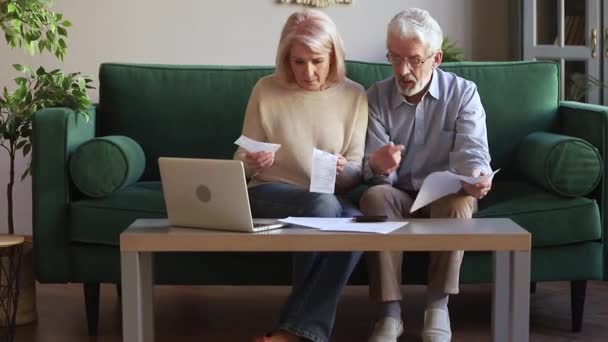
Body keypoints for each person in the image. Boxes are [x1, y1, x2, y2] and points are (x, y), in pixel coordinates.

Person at [233, 9, 368, 342]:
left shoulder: (354, 95)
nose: (308, 72)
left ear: (334, 55)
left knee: (358, 223)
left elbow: (355, 171)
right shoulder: (265, 90)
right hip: (268, 191)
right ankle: (300, 331)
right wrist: (253, 161)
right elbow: (239, 160)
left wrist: (343, 170)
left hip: (328, 197)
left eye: (317, 61)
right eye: (298, 62)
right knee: (323, 208)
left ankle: (293, 329)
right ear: (286, 58)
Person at [360, 8, 493, 342]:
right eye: (395, 58)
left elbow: (473, 153)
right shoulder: (376, 96)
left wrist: (477, 176)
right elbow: (376, 177)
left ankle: (438, 306)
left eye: (414, 60)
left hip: (446, 194)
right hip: (399, 192)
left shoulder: (463, 93)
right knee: (375, 198)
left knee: (458, 202)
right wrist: (379, 166)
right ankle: (389, 314)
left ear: (436, 58)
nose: (403, 70)